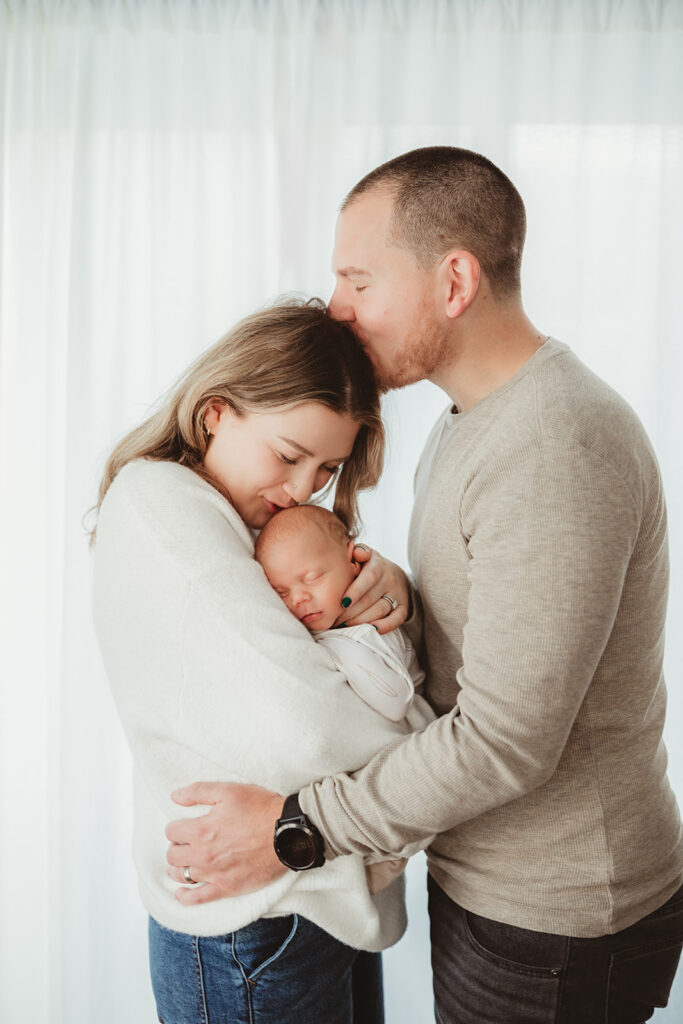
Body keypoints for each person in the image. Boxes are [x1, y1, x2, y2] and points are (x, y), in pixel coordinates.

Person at [165, 148, 683, 1023]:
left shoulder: (555, 441)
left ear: (453, 281)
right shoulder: (473, 425)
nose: (336, 307)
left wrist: (297, 827)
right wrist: (396, 589)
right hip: (494, 886)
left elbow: (507, 741)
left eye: (358, 279)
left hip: (553, 919)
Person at [92, 298, 427, 1024]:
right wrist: (431, 755)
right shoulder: (162, 504)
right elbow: (302, 724)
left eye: (326, 468)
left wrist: (377, 592)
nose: (302, 489)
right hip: (255, 927)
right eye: (287, 455)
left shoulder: (251, 522)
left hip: (313, 890)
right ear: (216, 413)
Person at [255, 504, 430, 724]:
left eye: (312, 578)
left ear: (353, 561)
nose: (297, 598)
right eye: (281, 592)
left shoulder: (367, 632)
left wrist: (332, 648)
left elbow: (396, 704)